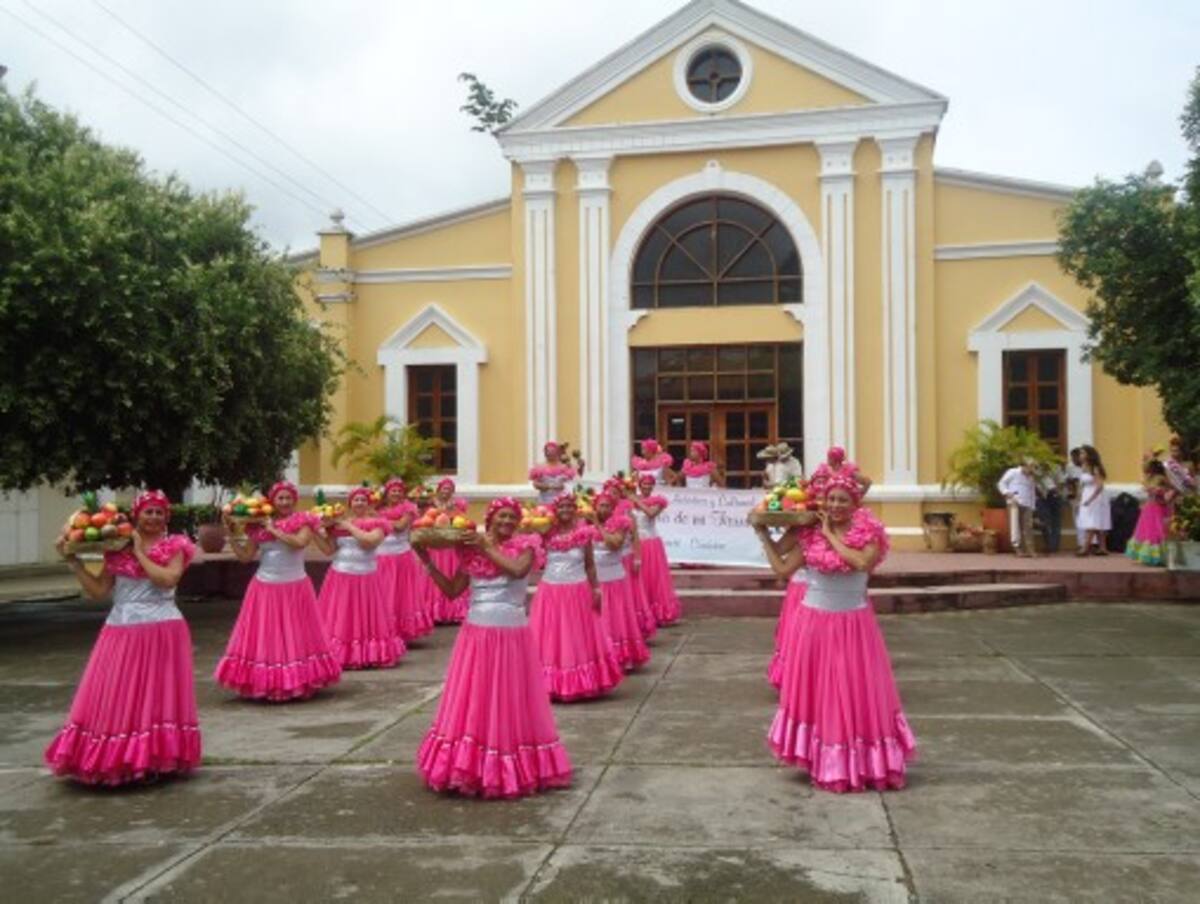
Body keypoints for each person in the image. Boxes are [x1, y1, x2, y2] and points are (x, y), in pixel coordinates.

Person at [755, 475, 916, 792]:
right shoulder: (810, 538)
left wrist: (828, 532)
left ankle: (858, 760)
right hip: (813, 623)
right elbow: (783, 569)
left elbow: (860, 562)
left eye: (843, 500)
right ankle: (821, 757)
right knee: (818, 690)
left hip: (853, 625)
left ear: (856, 504)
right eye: (831, 500)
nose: (835, 505)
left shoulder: (868, 534)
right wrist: (763, 534)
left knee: (854, 688)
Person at [413, 497, 572, 798]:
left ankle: (509, 765)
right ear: (490, 518)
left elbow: (516, 571)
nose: (507, 522)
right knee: (475, 699)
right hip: (476, 635)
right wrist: (427, 560)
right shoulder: (473, 552)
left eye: (512, 517)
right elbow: (451, 591)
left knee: (508, 699)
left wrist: (484, 546)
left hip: (511, 635)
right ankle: (469, 766)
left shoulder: (528, 545)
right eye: (501, 516)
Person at [46, 490, 201, 785]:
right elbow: (99, 591)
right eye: (148, 511)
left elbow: (168, 579)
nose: (153, 517)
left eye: (159, 512)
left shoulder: (176, 545)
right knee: (117, 691)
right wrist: (74, 562)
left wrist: (139, 552)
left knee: (159, 695)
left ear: (166, 517)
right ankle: (117, 757)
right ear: (136, 515)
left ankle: (157, 759)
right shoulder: (115, 549)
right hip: (121, 628)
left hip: (163, 627)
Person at [214, 480, 341, 701]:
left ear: (295, 500)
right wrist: (231, 535)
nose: (284, 502)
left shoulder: (303, 521)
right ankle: (268, 682)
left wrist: (273, 529)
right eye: (280, 498)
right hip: (264, 587)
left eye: (288, 498)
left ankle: (298, 681)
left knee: (296, 636)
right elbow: (245, 558)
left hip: (295, 587)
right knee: (267, 636)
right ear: (273, 501)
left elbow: (299, 543)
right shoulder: (257, 525)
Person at [527, 493, 624, 701]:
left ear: (575, 510)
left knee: (575, 636)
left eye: (569, 506)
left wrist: (596, 588)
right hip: (550, 592)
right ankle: (548, 684)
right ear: (555, 510)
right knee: (551, 637)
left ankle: (580, 683)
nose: (565, 510)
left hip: (577, 591)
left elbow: (589, 565)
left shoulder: (584, 533)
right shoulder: (545, 533)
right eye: (561, 506)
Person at [313, 487, 405, 668]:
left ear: (369, 503)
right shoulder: (339, 525)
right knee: (341, 618)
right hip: (340, 576)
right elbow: (328, 550)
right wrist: (315, 531)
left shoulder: (378, 523)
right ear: (350, 504)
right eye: (356, 500)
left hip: (366, 578)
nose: (359, 503)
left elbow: (369, 542)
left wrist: (348, 526)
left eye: (363, 500)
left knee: (365, 617)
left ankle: (367, 655)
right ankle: (341, 655)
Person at [588, 492, 650, 670]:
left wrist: (598, 525)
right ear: (595, 507)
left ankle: (619, 657)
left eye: (608, 506)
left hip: (614, 579)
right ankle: (600, 657)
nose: (604, 509)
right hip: (597, 580)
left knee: (615, 619)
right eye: (601, 505)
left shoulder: (621, 524)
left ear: (613, 508)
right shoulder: (586, 527)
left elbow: (614, 544)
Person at [377, 478, 432, 643]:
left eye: (399, 491)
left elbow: (401, 526)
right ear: (386, 494)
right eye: (393, 490)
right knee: (384, 593)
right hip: (380, 556)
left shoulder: (409, 508)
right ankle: (385, 628)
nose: (396, 493)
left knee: (400, 594)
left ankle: (402, 630)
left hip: (401, 556)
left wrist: (379, 521)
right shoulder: (378, 509)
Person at [608, 477, 658, 639]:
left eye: (615, 492)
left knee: (631, 592)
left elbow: (635, 536)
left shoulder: (627, 509)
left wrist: (637, 558)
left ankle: (633, 627)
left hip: (627, 556)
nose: (612, 495)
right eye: (609, 493)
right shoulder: (602, 510)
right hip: (610, 561)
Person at [630, 473, 682, 626]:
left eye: (649, 484)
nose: (646, 486)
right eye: (644, 484)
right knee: (638, 578)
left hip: (651, 543)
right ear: (639, 485)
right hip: (636, 542)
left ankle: (656, 612)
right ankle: (640, 612)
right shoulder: (631, 501)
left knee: (652, 578)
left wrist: (636, 501)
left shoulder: (658, 501)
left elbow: (651, 513)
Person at [420, 478, 471, 624]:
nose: (446, 491)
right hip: (434, 546)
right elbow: (423, 523)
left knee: (450, 575)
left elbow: (463, 523)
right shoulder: (429, 505)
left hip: (450, 548)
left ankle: (453, 610)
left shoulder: (457, 506)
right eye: (444, 488)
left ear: (453, 492)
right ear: (439, 490)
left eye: (449, 488)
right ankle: (434, 612)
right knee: (434, 576)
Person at [1126, 458, 1176, 566]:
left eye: (1148, 468)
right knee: (1147, 530)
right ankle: (1148, 556)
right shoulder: (1149, 478)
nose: (1146, 470)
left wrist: (1161, 493)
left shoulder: (1161, 478)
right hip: (1149, 507)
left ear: (1152, 468)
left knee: (1157, 531)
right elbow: (1146, 488)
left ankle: (1160, 556)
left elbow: (1171, 489)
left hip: (1158, 507)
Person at [998, 458, 1039, 557]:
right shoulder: (1013, 472)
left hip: (1027, 504)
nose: (1032, 470)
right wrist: (1007, 493)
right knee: (1015, 526)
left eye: (1033, 468)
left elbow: (1032, 492)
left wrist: (1033, 506)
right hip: (1014, 502)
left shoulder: (1031, 477)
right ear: (1024, 466)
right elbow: (1001, 483)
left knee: (1028, 526)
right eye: (1030, 467)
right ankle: (1017, 549)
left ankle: (1030, 549)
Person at [1075, 445, 1111, 556]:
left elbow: (1099, 486)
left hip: (1095, 496)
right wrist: (1079, 498)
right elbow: (1082, 485)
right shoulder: (1083, 467)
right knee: (1094, 520)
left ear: (1089, 455)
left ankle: (1085, 548)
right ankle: (1102, 548)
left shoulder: (1095, 468)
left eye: (1083, 453)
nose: (1080, 455)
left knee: (1092, 521)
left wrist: (1090, 499)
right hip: (1086, 494)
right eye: (1080, 453)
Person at [530, 441, 579, 506]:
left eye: (553, 452)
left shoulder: (565, 468)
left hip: (561, 501)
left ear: (558, 453)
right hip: (544, 500)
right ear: (545, 453)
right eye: (548, 452)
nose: (550, 454)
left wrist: (564, 486)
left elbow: (571, 484)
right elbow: (535, 484)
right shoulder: (539, 468)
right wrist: (546, 486)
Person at [1035, 459, 1067, 554]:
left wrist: (1057, 492)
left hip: (1054, 495)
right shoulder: (1036, 469)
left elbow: (1061, 482)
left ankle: (1053, 546)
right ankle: (1048, 544)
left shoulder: (1055, 467)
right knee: (1044, 520)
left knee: (1055, 521)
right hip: (1041, 496)